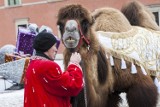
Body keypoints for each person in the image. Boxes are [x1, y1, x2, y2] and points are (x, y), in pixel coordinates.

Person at [24, 32, 83, 107]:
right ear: (47, 47)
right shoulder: (48, 66)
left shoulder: (32, 64)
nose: (56, 49)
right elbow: (71, 86)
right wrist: (74, 64)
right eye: (54, 46)